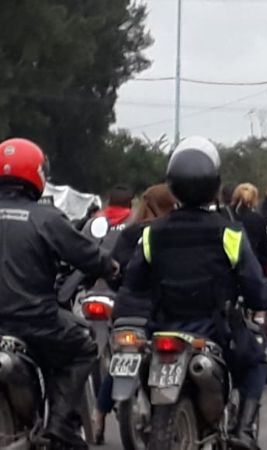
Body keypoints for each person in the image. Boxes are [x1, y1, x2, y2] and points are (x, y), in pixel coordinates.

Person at [114, 136, 267, 450]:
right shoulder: (229, 233)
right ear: (215, 185)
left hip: (161, 329)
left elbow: (133, 283)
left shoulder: (151, 234)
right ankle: (244, 430)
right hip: (215, 333)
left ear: (172, 185)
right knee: (257, 359)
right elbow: (256, 291)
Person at [0, 138, 118, 449]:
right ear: (37, 173)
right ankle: (60, 424)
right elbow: (87, 254)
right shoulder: (46, 218)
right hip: (35, 321)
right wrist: (111, 266)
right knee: (84, 346)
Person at [92, 183, 176, 443]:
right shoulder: (169, 233)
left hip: (125, 309)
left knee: (122, 360)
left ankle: (98, 414)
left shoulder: (129, 233)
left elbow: (114, 271)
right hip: (159, 311)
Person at [232, 183, 267, 268]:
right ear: (254, 199)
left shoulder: (225, 215)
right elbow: (263, 247)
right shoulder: (258, 219)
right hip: (249, 264)